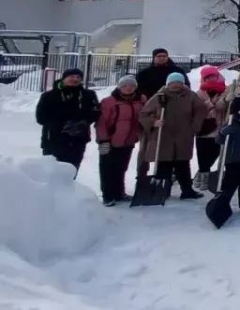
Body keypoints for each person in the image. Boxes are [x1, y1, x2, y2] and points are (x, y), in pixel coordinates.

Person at [137, 72, 208, 199]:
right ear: (168, 84)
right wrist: (154, 122)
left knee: (183, 165)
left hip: (183, 135)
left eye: (179, 83)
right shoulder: (160, 96)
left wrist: (194, 127)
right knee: (164, 165)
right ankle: (163, 190)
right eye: (173, 83)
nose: (176, 85)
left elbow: (201, 110)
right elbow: (144, 114)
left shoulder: (190, 96)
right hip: (164, 136)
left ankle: (187, 191)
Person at [35, 66, 101, 174]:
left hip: (77, 139)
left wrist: (80, 121)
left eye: (78, 77)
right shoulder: (49, 96)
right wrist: (63, 120)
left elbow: (95, 113)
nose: (75, 79)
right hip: (53, 139)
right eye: (71, 76)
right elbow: (41, 117)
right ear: (64, 78)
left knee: (72, 170)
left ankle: (69, 189)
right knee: (52, 172)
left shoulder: (88, 95)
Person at [95, 74, 144, 205]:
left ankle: (119, 192)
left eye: (132, 86)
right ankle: (107, 195)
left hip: (128, 140)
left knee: (121, 167)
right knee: (106, 168)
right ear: (119, 87)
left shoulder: (140, 101)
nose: (128, 88)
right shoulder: (109, 101)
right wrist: (103, 139)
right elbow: (101, 123)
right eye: (125, 86)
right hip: (107, 140)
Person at [193, 65, 228, 191]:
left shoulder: (226, 90)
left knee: (216, 152)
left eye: (213, 76)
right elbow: (196, 109)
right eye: (208, 77)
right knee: (202, 155)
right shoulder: (199, 93)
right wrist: (210, 104)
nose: (211, 79)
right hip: (203, 127)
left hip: (219, 126)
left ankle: (203, 174)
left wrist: (224, 103)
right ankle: (203, 176)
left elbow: (229, 104)